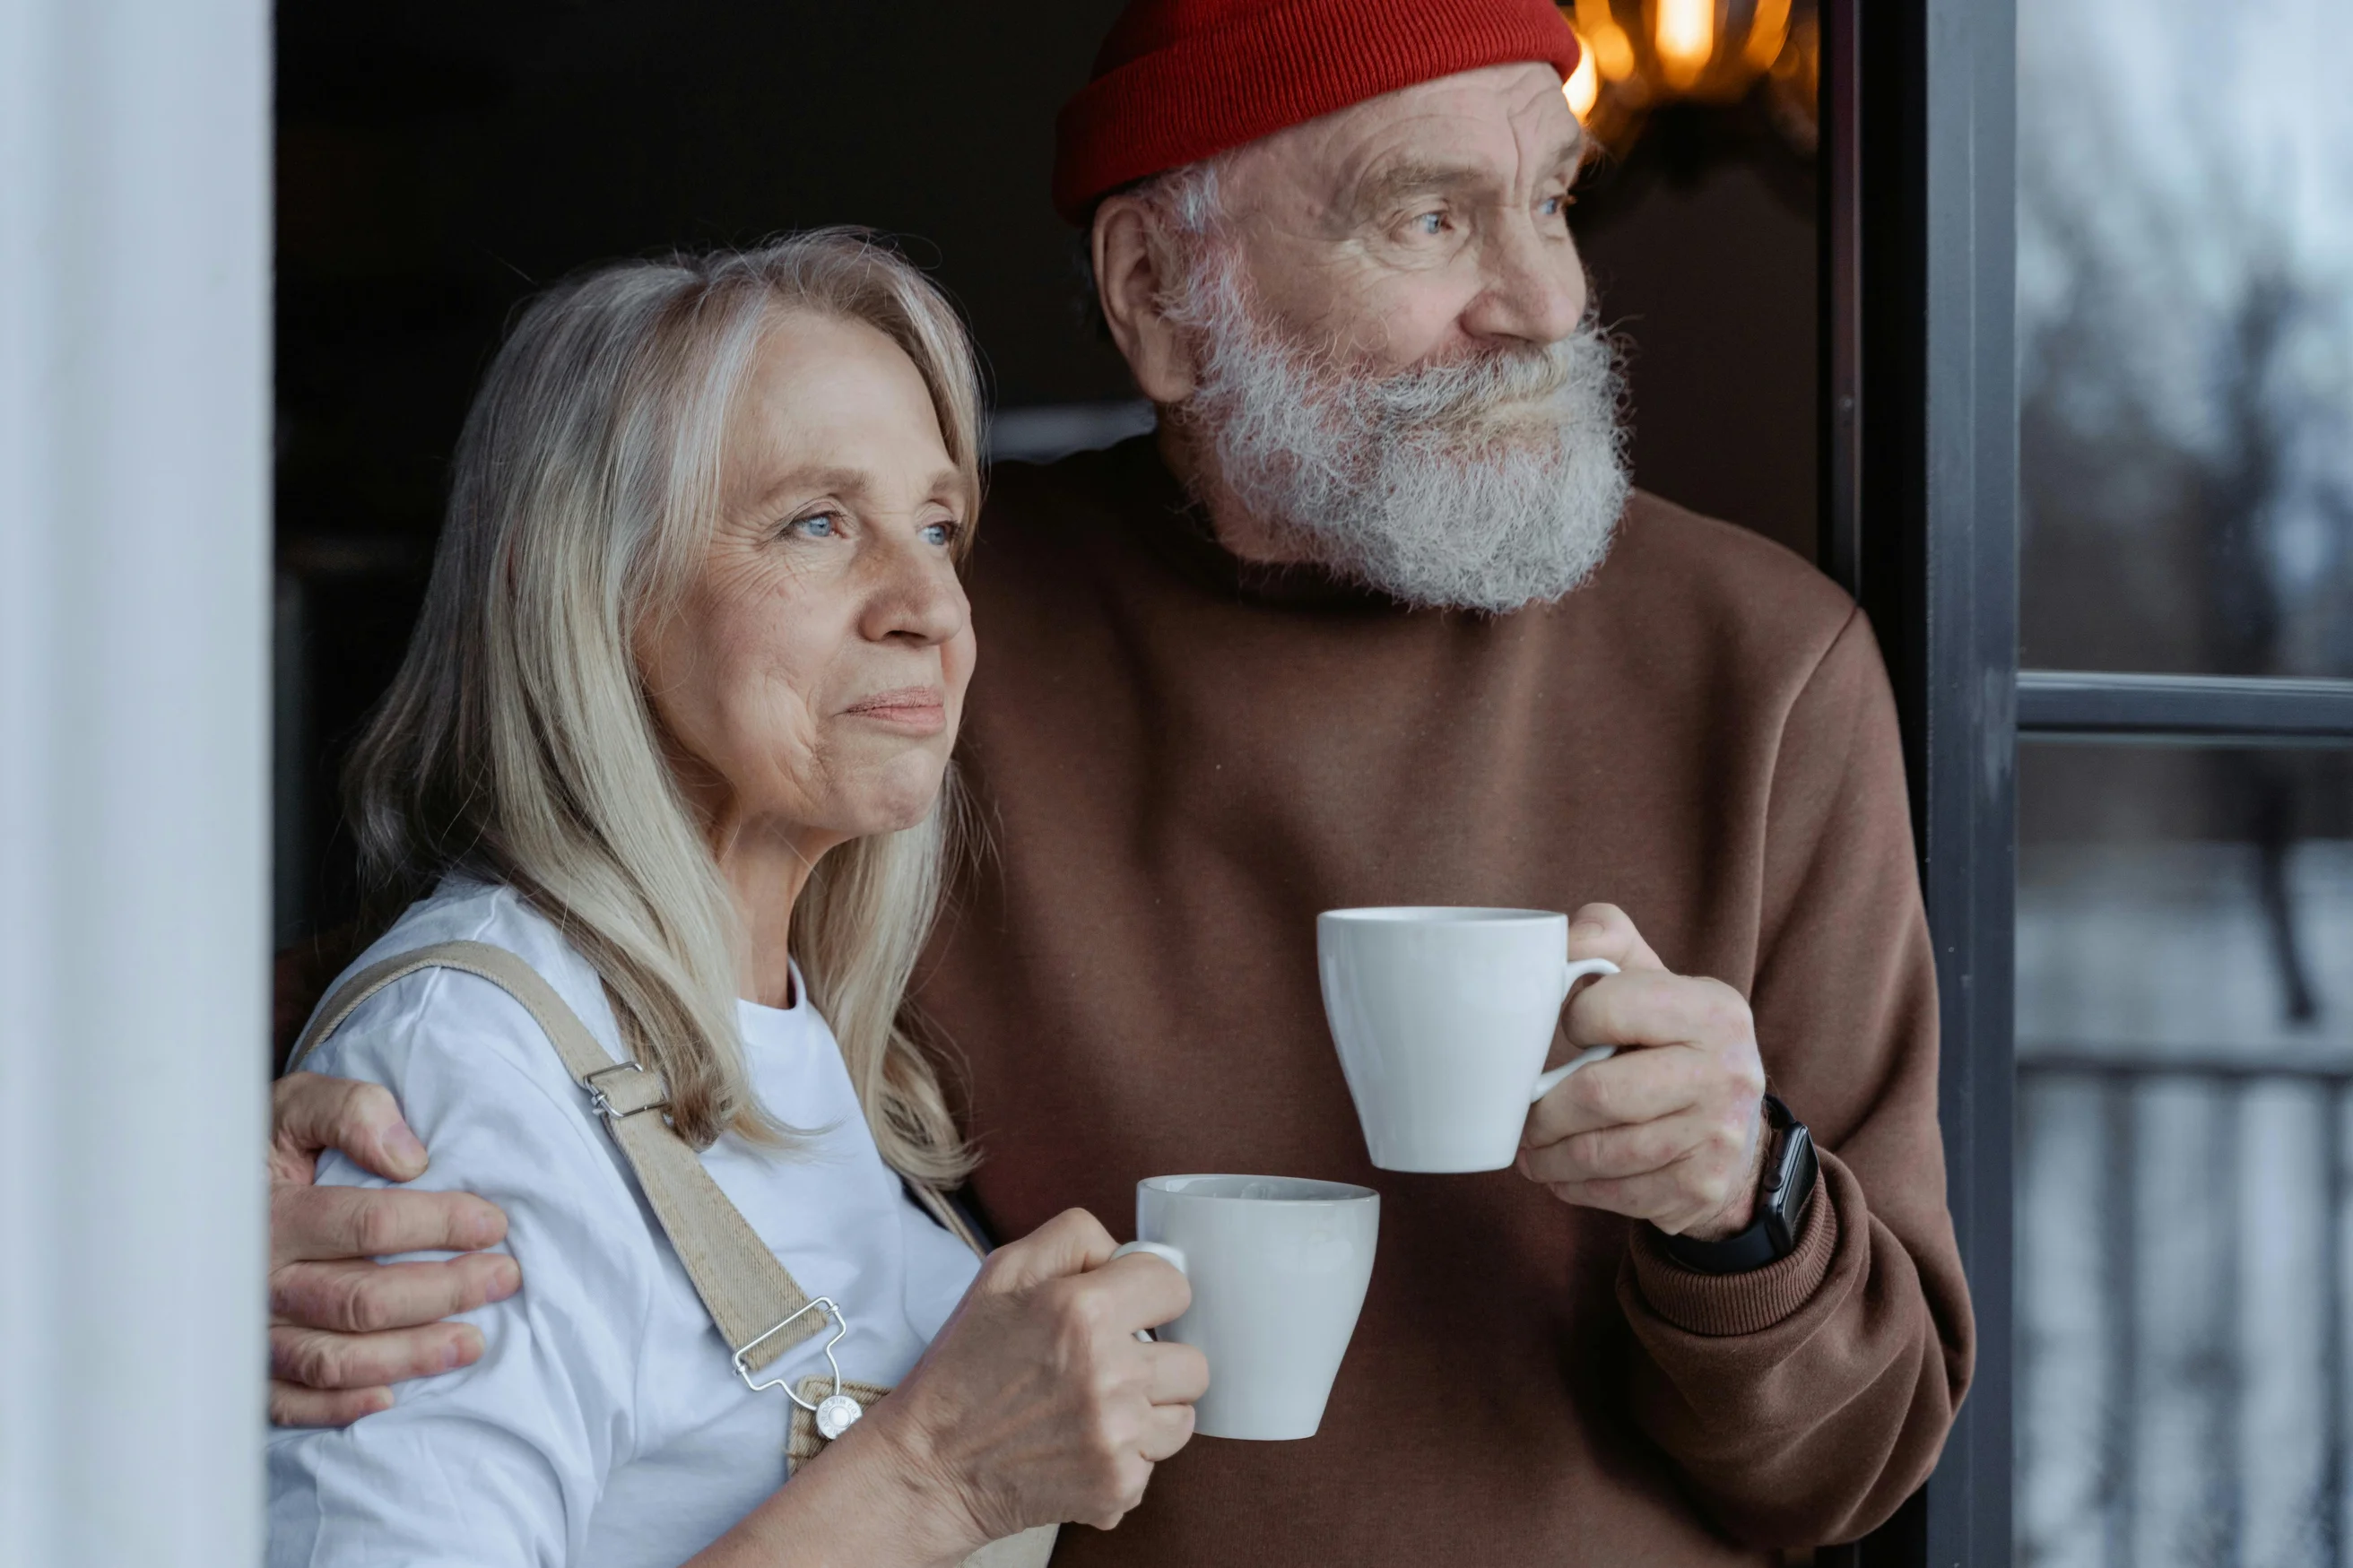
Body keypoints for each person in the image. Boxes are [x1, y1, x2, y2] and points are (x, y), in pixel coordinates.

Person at [267, 1, 1976, 1561]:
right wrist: (225, 1192)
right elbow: (514, 976)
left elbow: (1854, 1461)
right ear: (1160, 292)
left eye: (1551, 202)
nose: (1544, 301)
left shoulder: (1763, 668)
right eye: (1432, 216)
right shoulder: (920, 655)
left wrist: (1743, 1206)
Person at [265, 232, 1208, 1567]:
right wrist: (932, 1478)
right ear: (594, 591)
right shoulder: (466, 1076)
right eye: (817, 523)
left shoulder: (798, 1028)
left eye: (938, 527)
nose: (930, 603)